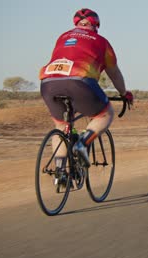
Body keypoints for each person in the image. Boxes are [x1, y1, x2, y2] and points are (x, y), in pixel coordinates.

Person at [39, 8, 134, 169]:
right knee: (104, 114)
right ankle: (82, 144)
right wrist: (124, 93)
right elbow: (114, 74)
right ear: (96, 25)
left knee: (61, 126)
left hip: (47, 81)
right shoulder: (101, 41)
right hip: (79, 80)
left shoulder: (62, 37)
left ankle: (60, 172)